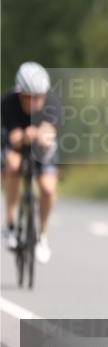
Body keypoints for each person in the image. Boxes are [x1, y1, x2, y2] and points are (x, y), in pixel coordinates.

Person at [1, 62, 61, 263]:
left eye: (38, 97)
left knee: (48, 189)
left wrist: (40, 135)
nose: (33, 102)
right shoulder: (8, 103)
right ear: (20, 94)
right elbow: (13, 138)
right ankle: (9, 223)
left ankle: (42, 236)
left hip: (42, 147)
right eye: (28, 97)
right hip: (17, 143)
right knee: (12, 165)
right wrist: (26, 135)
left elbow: (50, 134)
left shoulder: (52, 103)